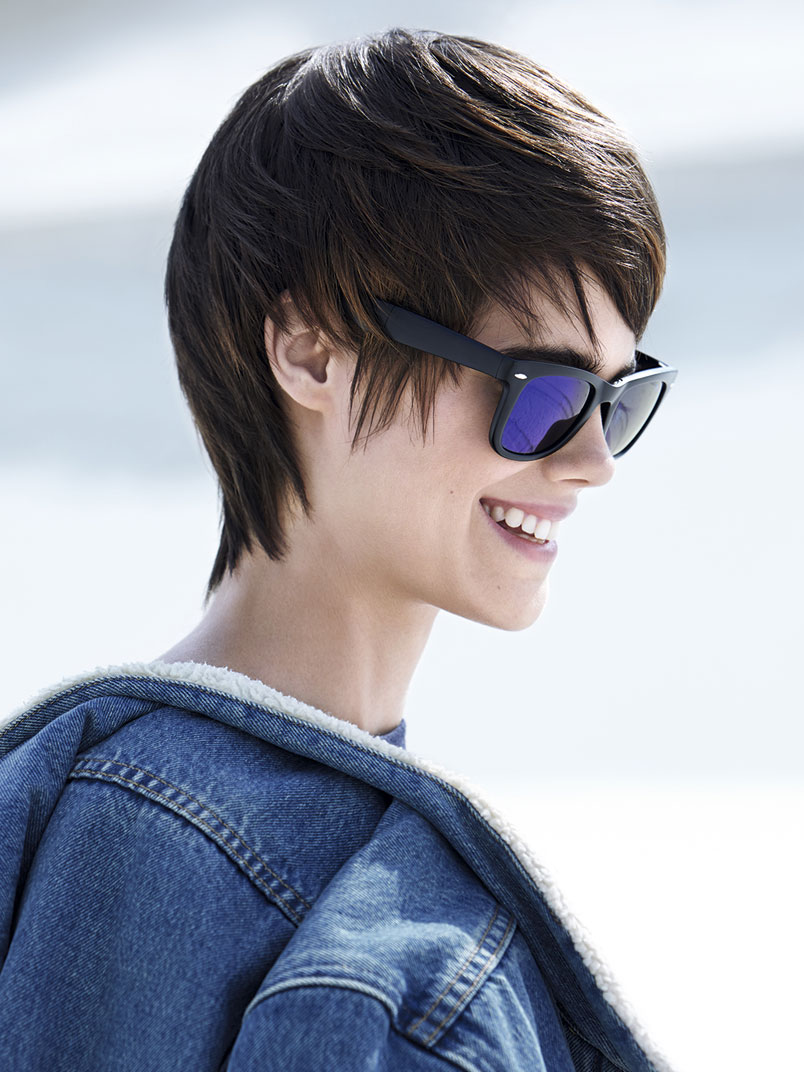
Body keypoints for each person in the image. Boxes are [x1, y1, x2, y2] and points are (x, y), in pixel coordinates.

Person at [0, 28, 677, 1071]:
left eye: (618, 399)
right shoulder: (159, 849)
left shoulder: (193, 816)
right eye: (541, 392)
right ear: (312, 351)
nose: (592, 462)